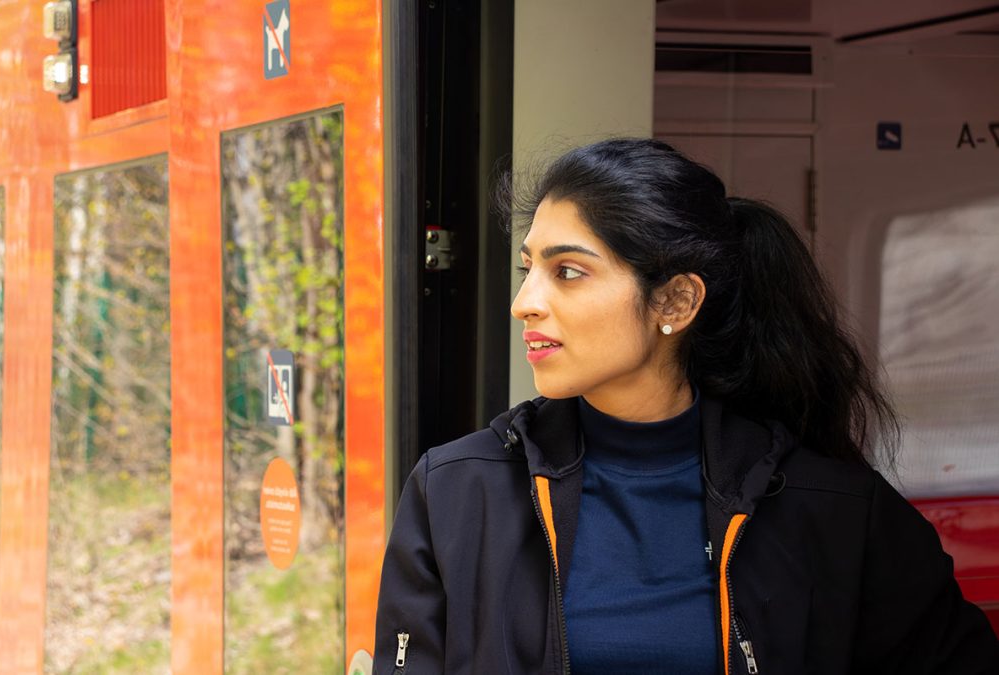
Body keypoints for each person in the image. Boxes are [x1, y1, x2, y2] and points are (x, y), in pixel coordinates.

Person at [372, 138, 999, 674]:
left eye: (568, 272)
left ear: (675, 303)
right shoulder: (455, 490)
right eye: (527, 267)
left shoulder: (832, 510)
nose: (525, 302)